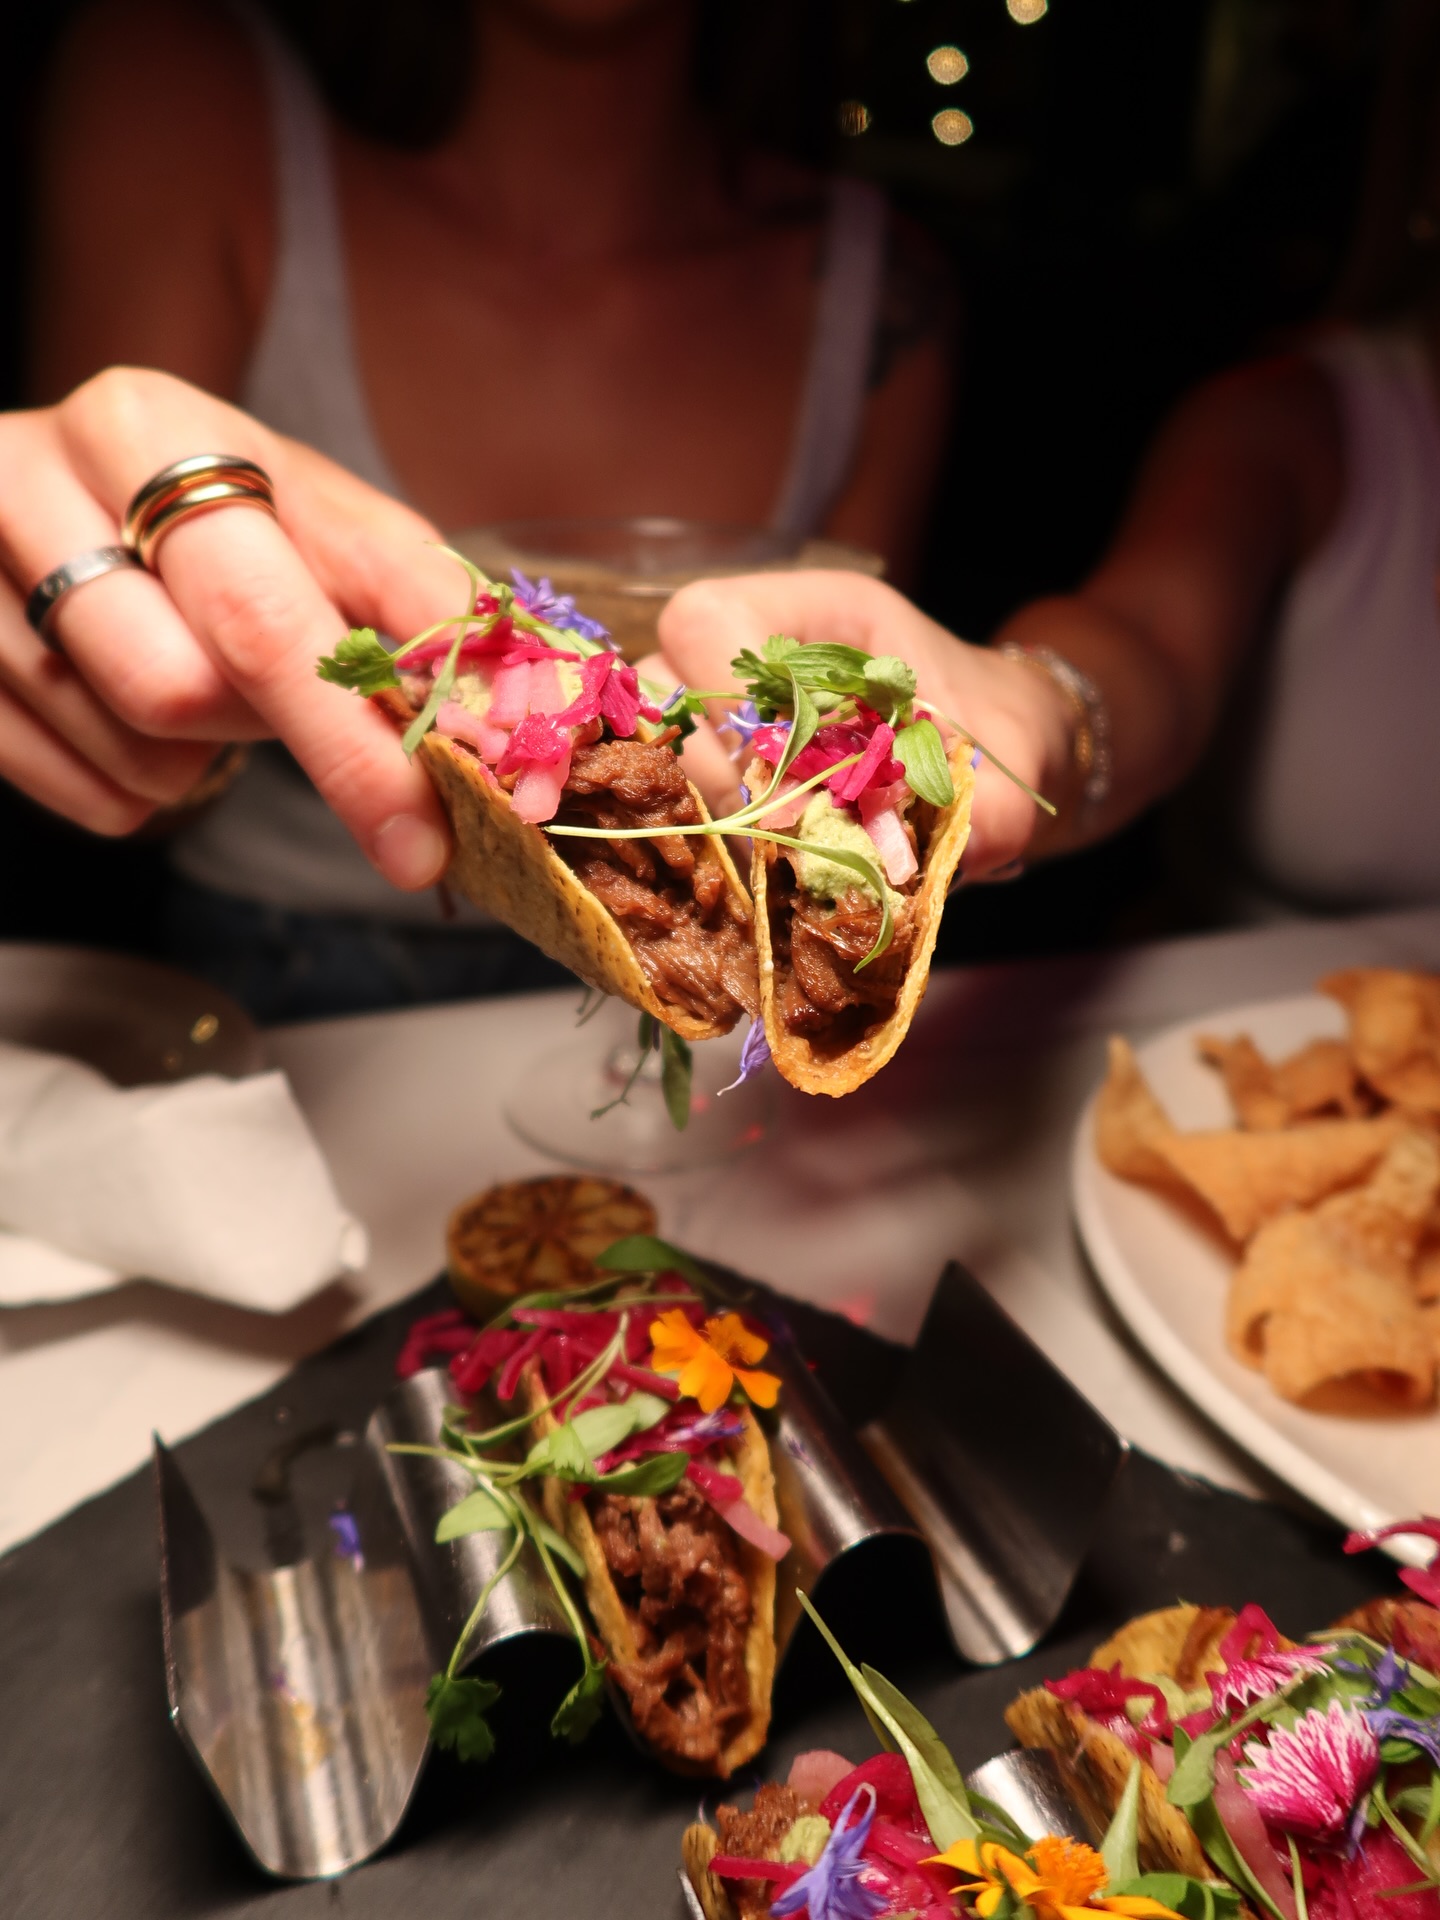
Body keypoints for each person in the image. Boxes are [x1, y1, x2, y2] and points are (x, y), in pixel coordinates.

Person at [19, 0, 952, 1014]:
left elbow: (816, 780)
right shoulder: (182, 97)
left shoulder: (887, 295)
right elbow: (118, 769)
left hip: (724, 1025)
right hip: (279, 977)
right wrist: (132, 714)